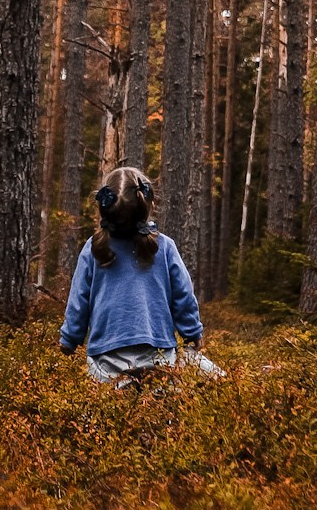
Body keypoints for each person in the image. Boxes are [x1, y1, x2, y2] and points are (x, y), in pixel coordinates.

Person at [59, 164, 222, 387]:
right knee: (176, 400)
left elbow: (78, 302)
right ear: (146, 205)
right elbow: (183, 296)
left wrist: (69, 340)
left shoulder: (92, 249)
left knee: (105, 416)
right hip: (159, 355)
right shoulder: (164, 247)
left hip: (106, 360)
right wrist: (192, 333)